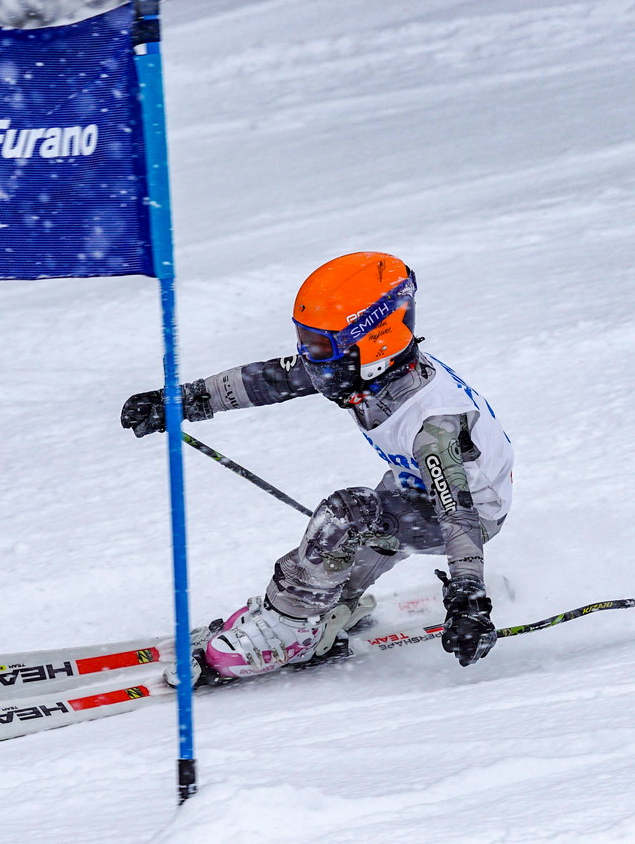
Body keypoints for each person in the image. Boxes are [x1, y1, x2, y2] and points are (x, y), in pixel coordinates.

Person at [121, 252, 514, 682]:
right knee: (354, 538)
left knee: (348, 515)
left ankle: (289, 628)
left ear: (374, 341)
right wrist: (181, 401)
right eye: (304, 338)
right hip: (411, 485)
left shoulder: (432, 426)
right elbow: (270, 379)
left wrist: (468, 599)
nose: (307, 355)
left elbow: (458, 516)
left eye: (319, 344)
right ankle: (327, 613)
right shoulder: (360, 369)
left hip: (467, 516)